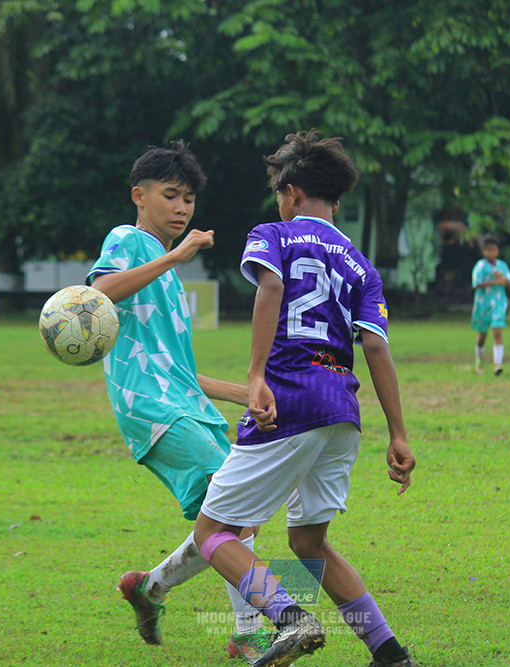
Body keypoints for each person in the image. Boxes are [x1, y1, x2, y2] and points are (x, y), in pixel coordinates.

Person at [193, 131, 418, 667]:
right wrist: (399, 433)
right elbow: (376, 347)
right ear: (334, 201)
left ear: (291, 193)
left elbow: (270, 289)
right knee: (309, 544)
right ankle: (390, 654)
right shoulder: (361, 265)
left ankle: (290, 619)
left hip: (288, 402)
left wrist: (254, 376)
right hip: (342, 409)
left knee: (213, 533)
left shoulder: (273, 233)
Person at [86, 141, 271, 659]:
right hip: (150, 408)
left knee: (236, 516)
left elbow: (180, 371)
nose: (182, 208)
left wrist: (245, 394)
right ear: (138, 195)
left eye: (188, 198)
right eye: (171, 195)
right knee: (233, 507)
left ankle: (151, 587)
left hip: (186, 404)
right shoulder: (127, 238)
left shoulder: (169, 275)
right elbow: (100, 293)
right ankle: (249, 634)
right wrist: (174, 255)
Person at [471, 236, 510, 375]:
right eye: (488, 250)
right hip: (483, 304)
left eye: (494, 250)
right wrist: (495, 281)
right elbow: (476, 284)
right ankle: (479, 360)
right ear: (483, 251)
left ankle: (498, 365)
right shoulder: (481, 266)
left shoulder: (502, 266)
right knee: (482, 335)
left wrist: (502, 280)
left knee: (497, 332)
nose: (491, 253)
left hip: (499, 303)